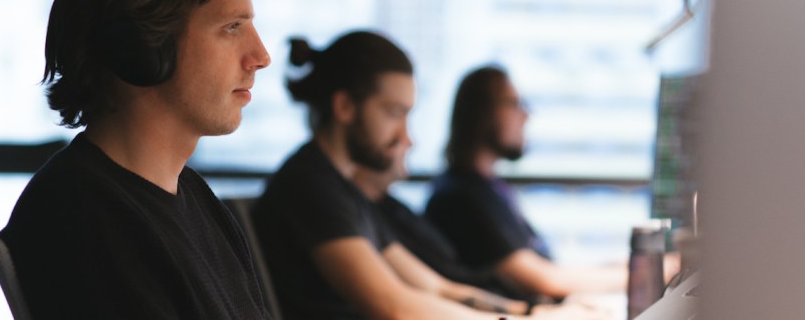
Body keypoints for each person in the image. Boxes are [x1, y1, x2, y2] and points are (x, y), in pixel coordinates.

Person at [0, 0, 272, 319]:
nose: (260, 56)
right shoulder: (84, 217)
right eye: (231, 27)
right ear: (144, 46)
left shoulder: (192, 197)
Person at [253, 31, 607, 320]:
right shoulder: (309, 187)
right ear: (344, 106)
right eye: (394, 112)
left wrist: (528, 313)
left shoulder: (346, 193)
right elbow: (394, 306)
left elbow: (435, 288)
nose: (406, 135)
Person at [424, 66, 630, 301]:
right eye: (513, 103)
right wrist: (644, 271)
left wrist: (618, 267)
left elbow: (543, 267)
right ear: (483, 113)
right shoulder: (459, 198)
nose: (526, 114)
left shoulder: (486, 189)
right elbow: (543, 280)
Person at [352, 138, 518, 301]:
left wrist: (522, 311)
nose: (410, 141)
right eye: (394, 114)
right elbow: (402, 305)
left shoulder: (391, 207)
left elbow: (439, 288)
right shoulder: (454, 194)